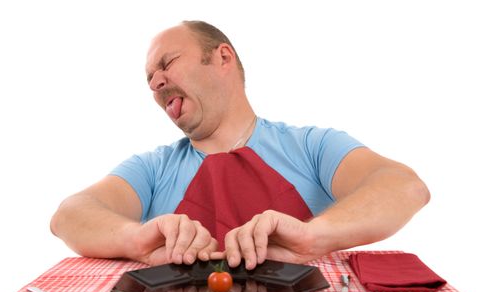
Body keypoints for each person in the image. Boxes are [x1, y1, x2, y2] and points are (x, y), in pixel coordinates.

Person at [50, 20, 430, 270]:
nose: (155, 82)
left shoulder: (311, 146)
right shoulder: (152, 168)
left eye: (167, 63)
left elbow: (404, 187)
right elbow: (69, 215)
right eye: (149, 77)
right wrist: (137, 239)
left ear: (223, 57)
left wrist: (314, 235)